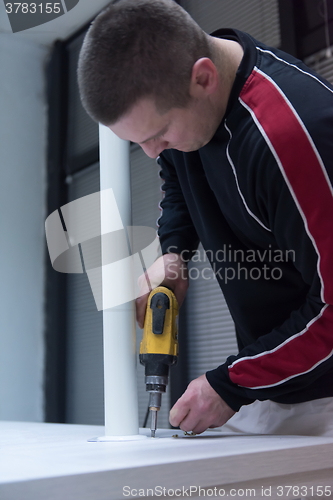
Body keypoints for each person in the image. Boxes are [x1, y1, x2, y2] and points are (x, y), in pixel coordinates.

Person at [77, 0, 333, 437]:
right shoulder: (192, 110)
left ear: (203, 77)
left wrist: (228, 385)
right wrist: (174, 252)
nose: (153, 151)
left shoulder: (296, 135)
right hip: (277, 384)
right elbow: (177, 173)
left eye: (157, 134)